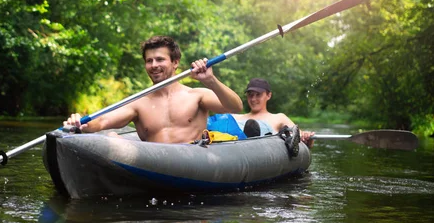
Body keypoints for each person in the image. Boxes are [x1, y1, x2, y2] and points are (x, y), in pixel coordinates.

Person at [63, 35, 243, 143]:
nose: (154, 65)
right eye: (149, 61)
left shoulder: (196, 96)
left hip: (193, 160)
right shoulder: (138, 103)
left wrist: (210, 80)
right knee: (112, 137)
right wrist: (81, 124)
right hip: (153, 164)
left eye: (160, 59)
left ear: (175, 62)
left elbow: (236, 107)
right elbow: (102, 122)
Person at [232, 78, 315, 147]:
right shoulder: (235, 117)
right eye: (250, 95)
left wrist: (307, 137)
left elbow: (298, 136)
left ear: (269, 95)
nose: (253, 99)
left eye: (258, 95)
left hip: (261, 153)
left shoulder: (279, 118)